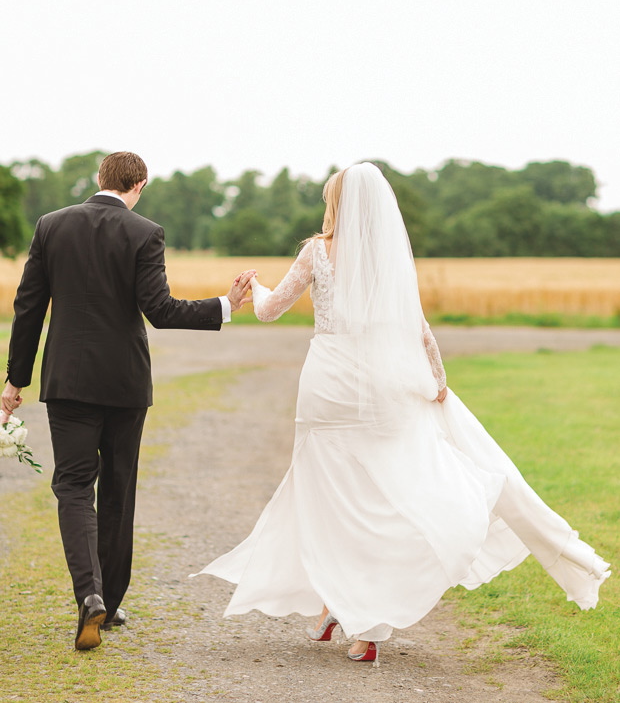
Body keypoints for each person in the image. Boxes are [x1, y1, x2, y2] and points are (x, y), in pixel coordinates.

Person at [194, 162, 610, 667]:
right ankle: (350, 617)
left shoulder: (317, 251)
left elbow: (269, 310)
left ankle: (351, 613)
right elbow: (421, 331)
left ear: (338, 204)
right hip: (380, 391)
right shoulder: (387, 260)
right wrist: (438, 382)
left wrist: (253, 287)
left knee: (329, 504)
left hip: (327, 389)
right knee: (378, 501)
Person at [1, 151, 254, 651]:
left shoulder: (51, 226)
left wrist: (15, 381)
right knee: (118, 490)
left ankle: (89, 596)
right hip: (125, 385)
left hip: (68, 382)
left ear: (99, 179)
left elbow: (28, 307)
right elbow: (159, 311)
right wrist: (225, 304)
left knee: (73, 487)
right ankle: (110, 606)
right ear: (140, 184)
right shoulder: (145, 232)